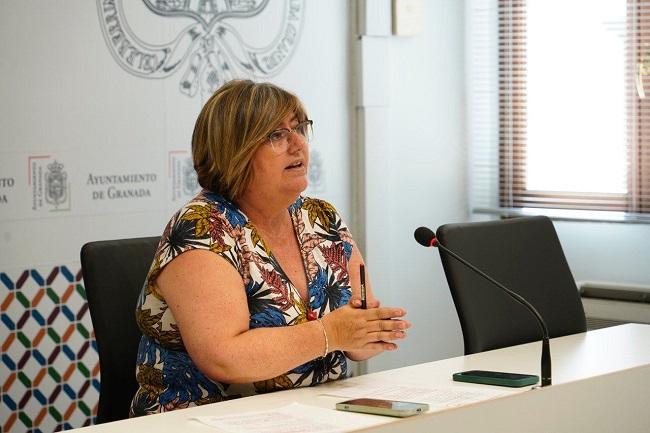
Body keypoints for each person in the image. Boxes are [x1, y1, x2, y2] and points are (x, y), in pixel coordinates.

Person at [130, 79, 411, 416]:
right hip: (207, 420)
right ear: (234, 152)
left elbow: (355, 342)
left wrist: (367, 332)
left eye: (299, 128)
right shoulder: (203, 229)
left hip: (315, 415)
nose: (298, 144)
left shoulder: (321, 218)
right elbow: (225, 357)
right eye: (277, 135)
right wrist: (331, 333)